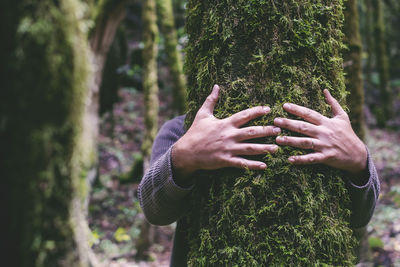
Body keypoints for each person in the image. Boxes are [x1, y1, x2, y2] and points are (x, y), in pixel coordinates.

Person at [138, 84, 380, 266]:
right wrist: (182, 157)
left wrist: (359, 159)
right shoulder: (181, 130)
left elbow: (360, 217)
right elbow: (154, 210)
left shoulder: (327, 134)